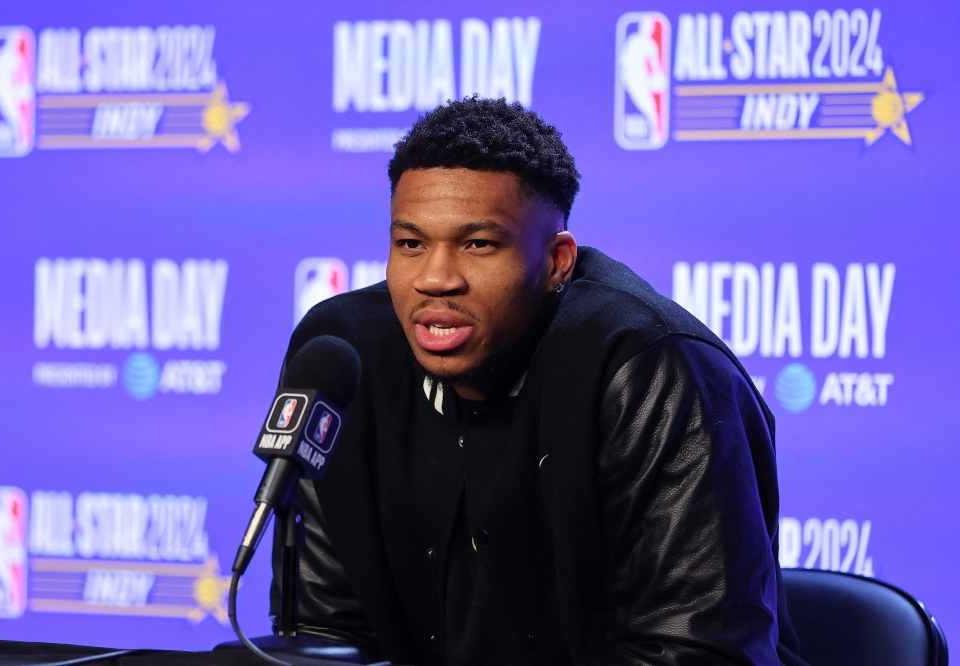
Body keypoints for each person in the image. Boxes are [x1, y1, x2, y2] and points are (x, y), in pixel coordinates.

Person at [272, 97, 807, 666]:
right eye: (411, 244)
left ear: (556, 262)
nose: (434, 278)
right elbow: (326, 634)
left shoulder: (652, 369)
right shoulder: (344, 355)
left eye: (479, 244)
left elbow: (697, 653)